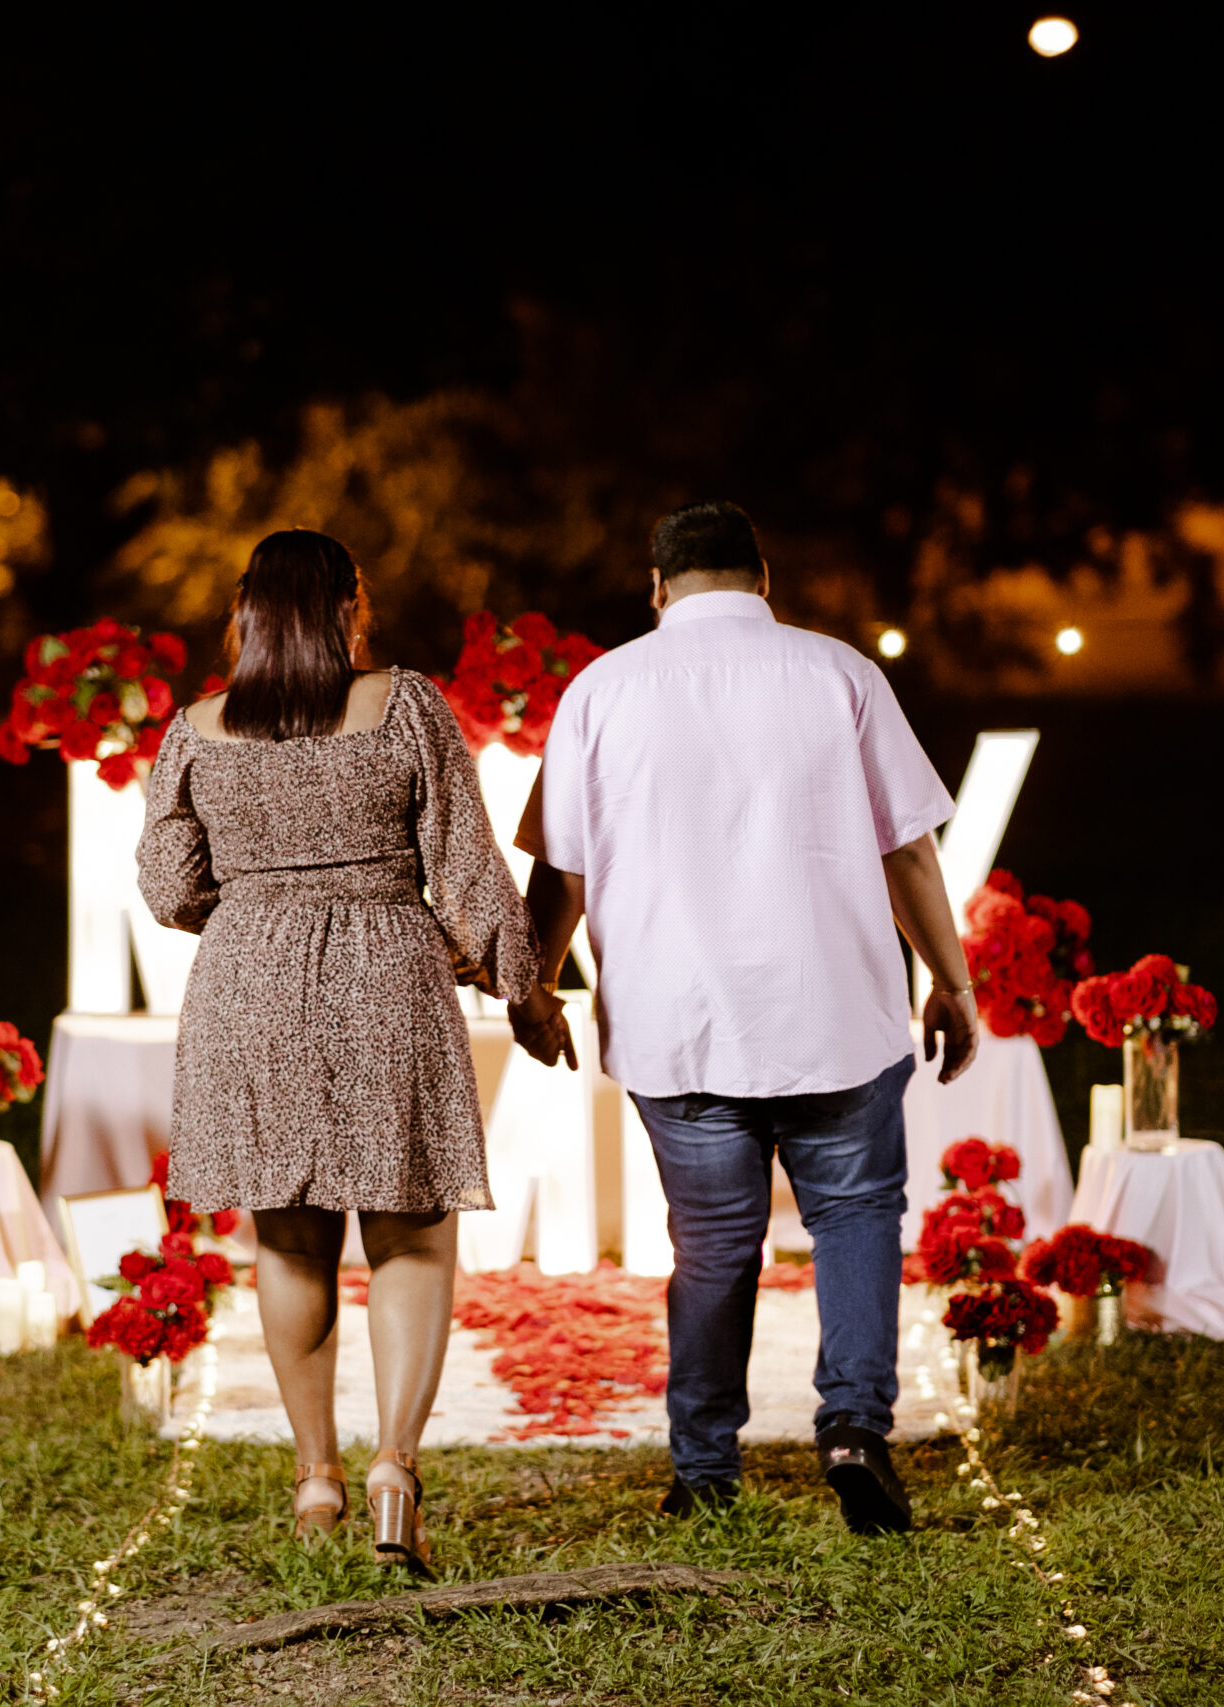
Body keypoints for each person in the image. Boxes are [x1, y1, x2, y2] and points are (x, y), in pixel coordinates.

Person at [507, 500, 976, 1535]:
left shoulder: (602, 689)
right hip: (836, 1013)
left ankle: (705, 1469)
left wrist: (533, 988)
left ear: (655, 585)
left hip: (681, 1025)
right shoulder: (838, 672)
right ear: (764, 577)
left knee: (714, 1246)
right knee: (855, 1221)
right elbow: (908, 849)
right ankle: (853, 1430)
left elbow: (563, 870)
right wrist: (951, 979)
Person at [138, 528, 539, 1574]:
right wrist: (524, 987)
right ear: (348, 606)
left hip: (248, 980)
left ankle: (315, 1476)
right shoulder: (402, 704)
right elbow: (465, 866)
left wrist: (261, 904)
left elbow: (169, 886)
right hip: (385, 968)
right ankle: (393, 1470)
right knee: (409, 1233)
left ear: (247, 614)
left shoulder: (196, 729)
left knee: (289, 1237)